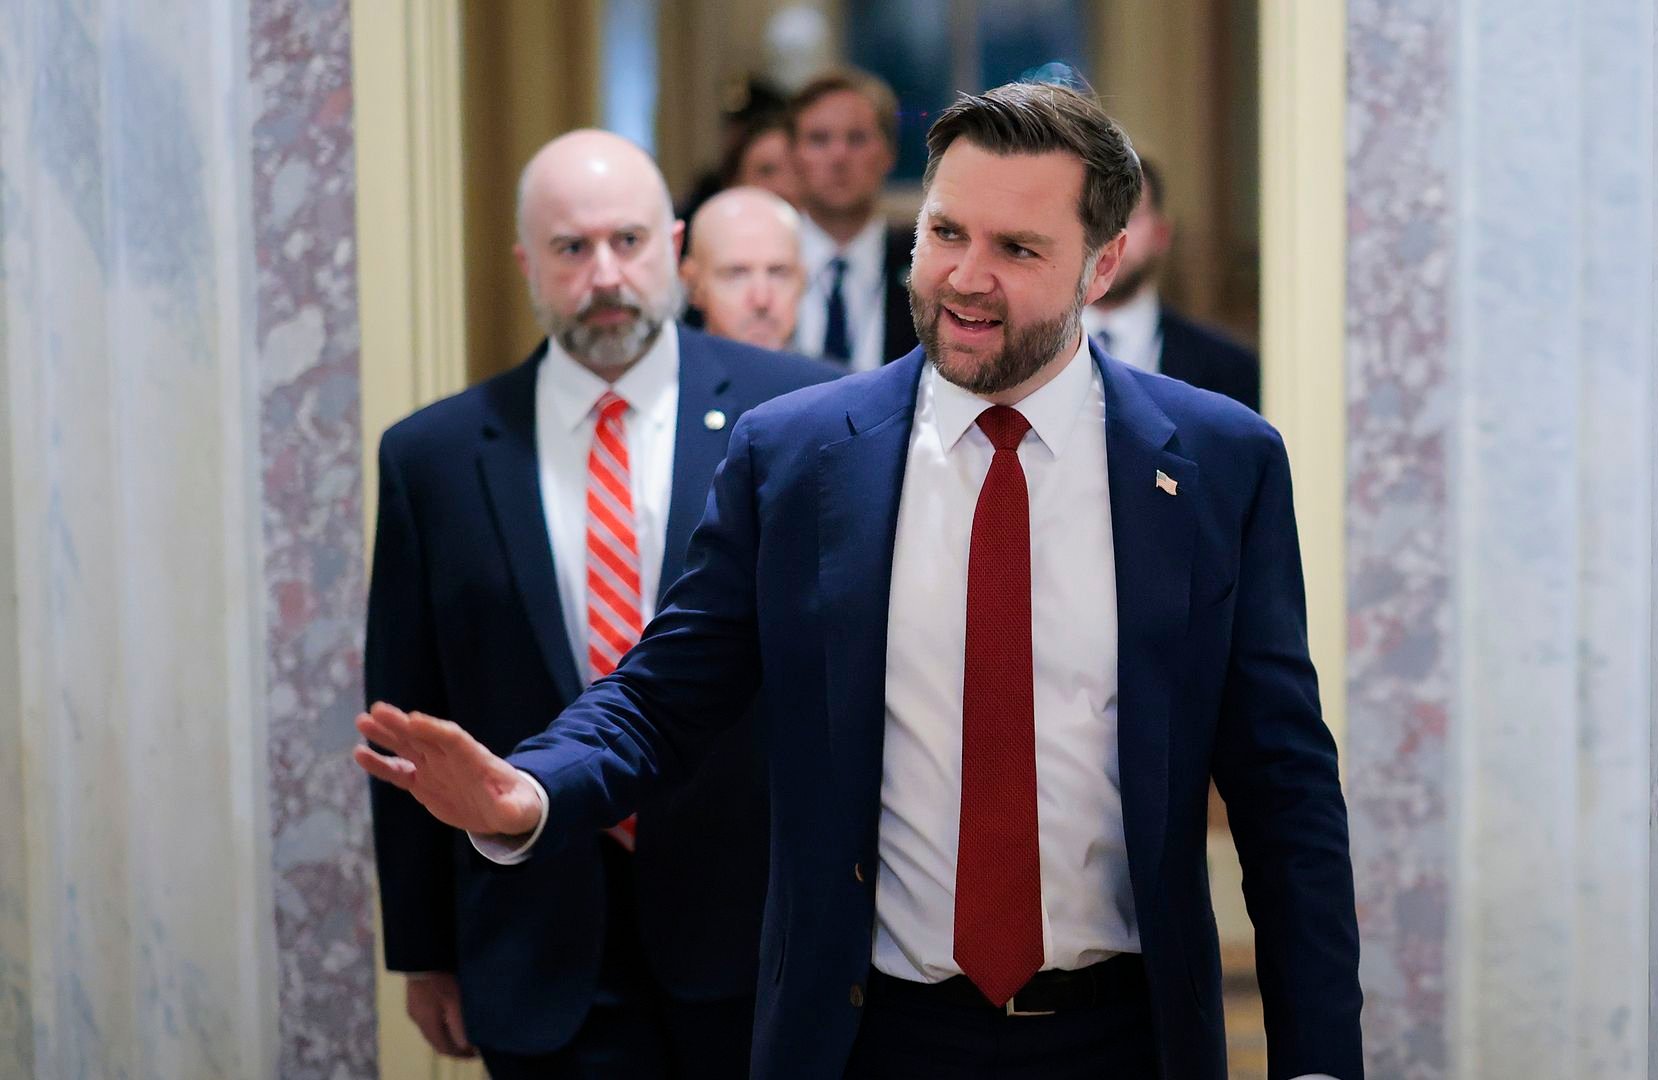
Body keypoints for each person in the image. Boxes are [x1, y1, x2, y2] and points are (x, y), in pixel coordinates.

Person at [357, 84, 1362, 1080]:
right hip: (871, 1039)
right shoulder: (796, 458)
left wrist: (1318, 1061)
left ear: (1102, 264)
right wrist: (528, 791)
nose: (966, 277)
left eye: (1018, 249)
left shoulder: (1219, 465)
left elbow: (1285, 793)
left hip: (1125, 1036)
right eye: (945, 232)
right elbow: (660, 699)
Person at [364, 129, 833, 1079]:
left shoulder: (800, 417)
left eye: (629, 241)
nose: (606, 274)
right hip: (535, 945)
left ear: (673, 246)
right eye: (572, 249)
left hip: (756, 934)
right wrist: (423, 952)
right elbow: (409, 720)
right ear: (527, 263)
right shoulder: (436, 457)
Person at [1081, 156, 1261, 411]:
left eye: (1128, 215)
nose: (1110, 234)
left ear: (1162, 234)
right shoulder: (1026, 354)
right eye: (1094, 215)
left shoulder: (1231, 370)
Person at [786, 69, 919, 369]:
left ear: (888, 153)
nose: (839, 156)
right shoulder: (762, 263)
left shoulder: (924, 267)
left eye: (857, 139)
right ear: (794, 156)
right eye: (819, 139)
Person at [680, 187, 806, 351]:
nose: (761, 299)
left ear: (802, 280)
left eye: (778, 273)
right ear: (693, 284)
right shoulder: (666, 376)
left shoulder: (833, 376)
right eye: (737, 274)